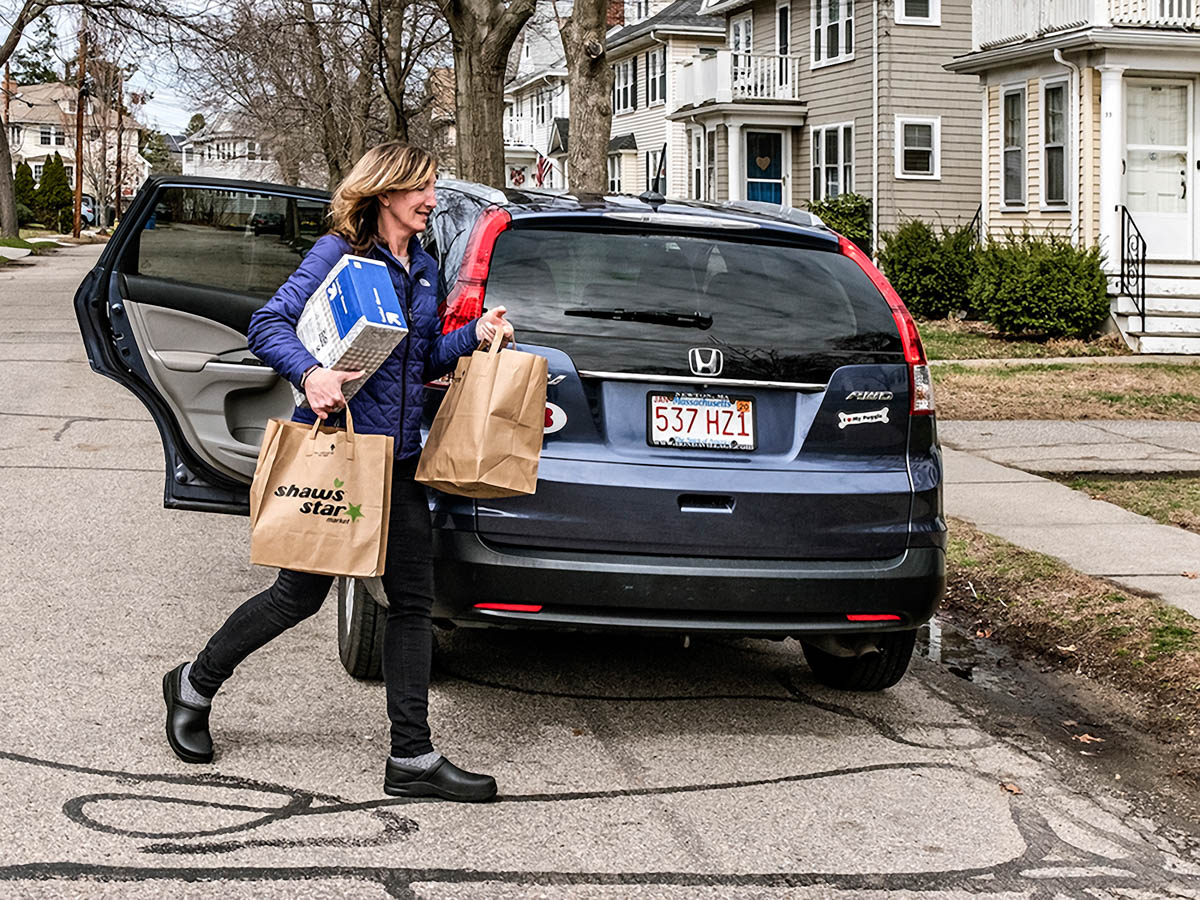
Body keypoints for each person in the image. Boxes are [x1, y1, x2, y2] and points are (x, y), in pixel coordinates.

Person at [161, 142, 511, 803]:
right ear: (385, 193)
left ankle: (411, 757)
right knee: (298, 597)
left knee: (411, 606)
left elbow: (423, 354)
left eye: (432, 189)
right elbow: (269, 323)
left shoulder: (426, 268)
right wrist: (312, 374)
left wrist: (475, 336)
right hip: (344, 457)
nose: (431, 200)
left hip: (403, 461)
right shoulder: (338, 256)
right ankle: (194, 683)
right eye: (421, 190)